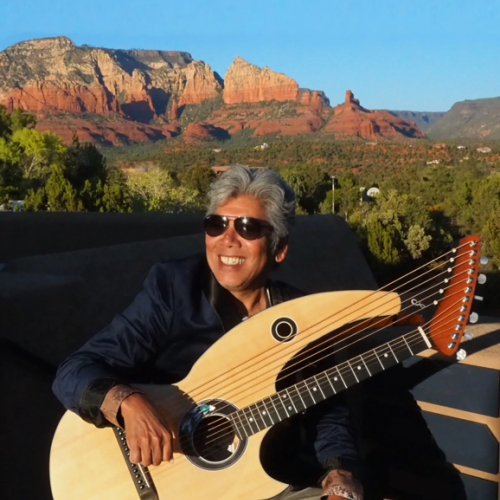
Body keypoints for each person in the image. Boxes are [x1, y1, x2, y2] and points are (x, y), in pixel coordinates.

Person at [53, 165, 363, 500]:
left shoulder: (301, 317)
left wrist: (340, 476)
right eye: (216, 224)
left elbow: (329, 412)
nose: (227, 240)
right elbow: (73, 372)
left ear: (279, 247)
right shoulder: (175, 289)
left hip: (264, 483)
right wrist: (128, 403)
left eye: (248, 227)